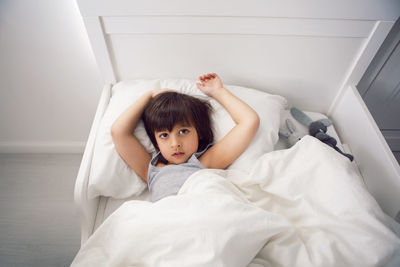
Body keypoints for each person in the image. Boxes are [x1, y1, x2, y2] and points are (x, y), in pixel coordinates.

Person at [111, 73, 260, 201]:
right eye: (164, 135)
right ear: (155, 141)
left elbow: (249, 121)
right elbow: (119, 132)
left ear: (199, 133)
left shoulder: (205, 163)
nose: (175, 144)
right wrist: (148, 96)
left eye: (183, 131)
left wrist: (218, 91)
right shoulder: (150, 170)